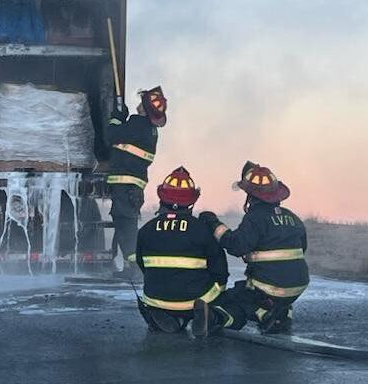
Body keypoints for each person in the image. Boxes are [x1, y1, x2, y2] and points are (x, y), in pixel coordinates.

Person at [193, 162, 309, 337]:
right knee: (257, 296)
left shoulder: (256, 218)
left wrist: (213, 223)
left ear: (251, 196)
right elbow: (302, 248)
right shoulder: (293, 218)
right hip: (297, 286)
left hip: (269, 288)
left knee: (234, 299)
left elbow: (236, 245)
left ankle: (222, 318)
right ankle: (280, 313)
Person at [135, 166, 229, 333]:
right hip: (195, 299)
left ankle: (166, 317)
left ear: (161, 198)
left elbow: (141, 264)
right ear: (192, 202)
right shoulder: (202, 229)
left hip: (156, 297)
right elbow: (220, 268)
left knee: (156, 299)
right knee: (227, 295)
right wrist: (219, 291)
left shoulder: (145, 230)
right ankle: (211, 316)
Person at [107, 86, 167, 280]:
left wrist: (117, 117)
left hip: (124, 184)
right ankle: (130, 266)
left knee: (125, 224)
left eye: (143, 101)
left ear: (145, 108)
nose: (139, 104)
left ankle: (134, 268)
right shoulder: (149, 129)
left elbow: (111, 135)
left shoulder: (137, 124)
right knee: (127, 224)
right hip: (133, 186)